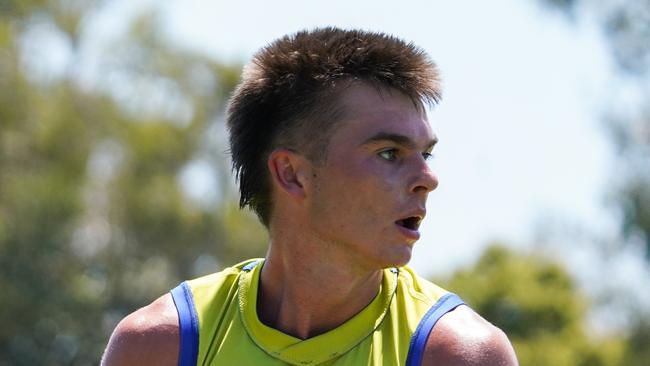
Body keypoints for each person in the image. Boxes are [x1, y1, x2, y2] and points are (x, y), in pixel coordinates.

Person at [101, 27, 519, 366]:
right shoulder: (160, 348)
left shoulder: (458, 355)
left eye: (425, 153)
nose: (428, 178)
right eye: (389, 153)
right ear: (292, 174)